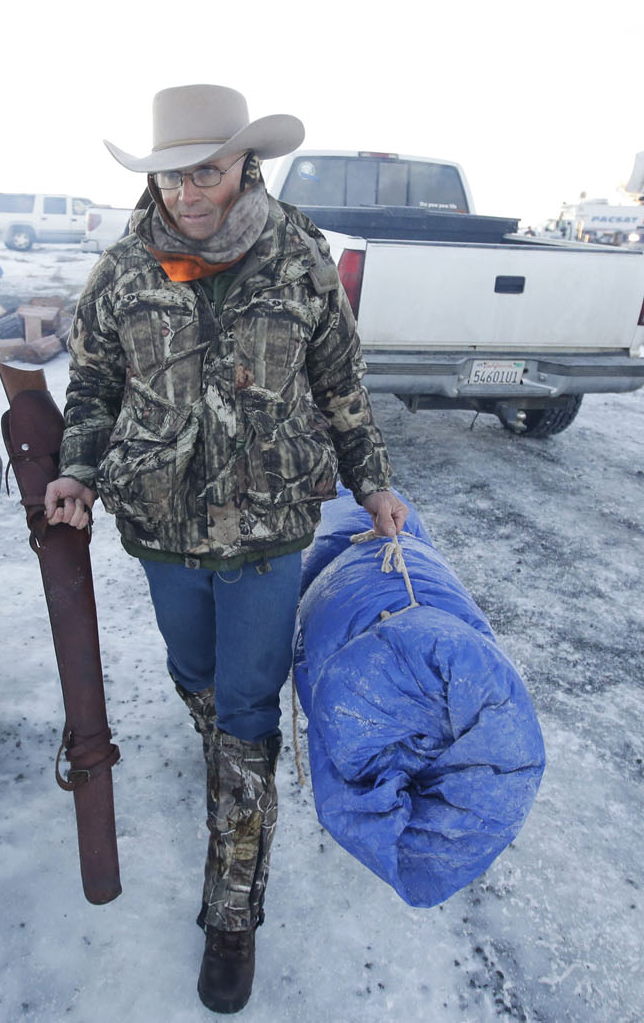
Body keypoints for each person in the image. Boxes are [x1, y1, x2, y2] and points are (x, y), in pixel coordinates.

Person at [42, 84, 406, 1013]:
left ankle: (233, 910)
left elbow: (342, 384)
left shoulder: (298, 258)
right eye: (172, 172)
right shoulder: (124, 269)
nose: (186, 190)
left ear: (248, 162)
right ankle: (231, 762)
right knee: (193, 673)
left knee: (246, 708)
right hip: (162, 530)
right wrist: (79, 471)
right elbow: (91, 386)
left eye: (207, 168)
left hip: (268, 532)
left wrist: (372, 480)